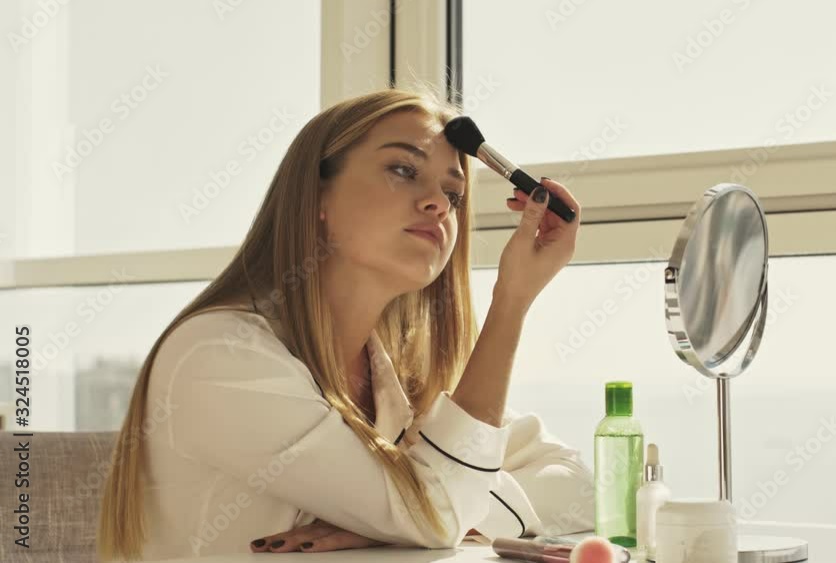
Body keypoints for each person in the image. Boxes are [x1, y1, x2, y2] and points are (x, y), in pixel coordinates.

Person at [96, 89, 594, 561]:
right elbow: (437, 512)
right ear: (318, 197)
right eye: (402, 169)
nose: (438, 204)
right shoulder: (218, 355)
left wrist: (404, 515)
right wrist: (511, 300)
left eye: (453, 194)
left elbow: (580, 486)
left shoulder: (404, 378)